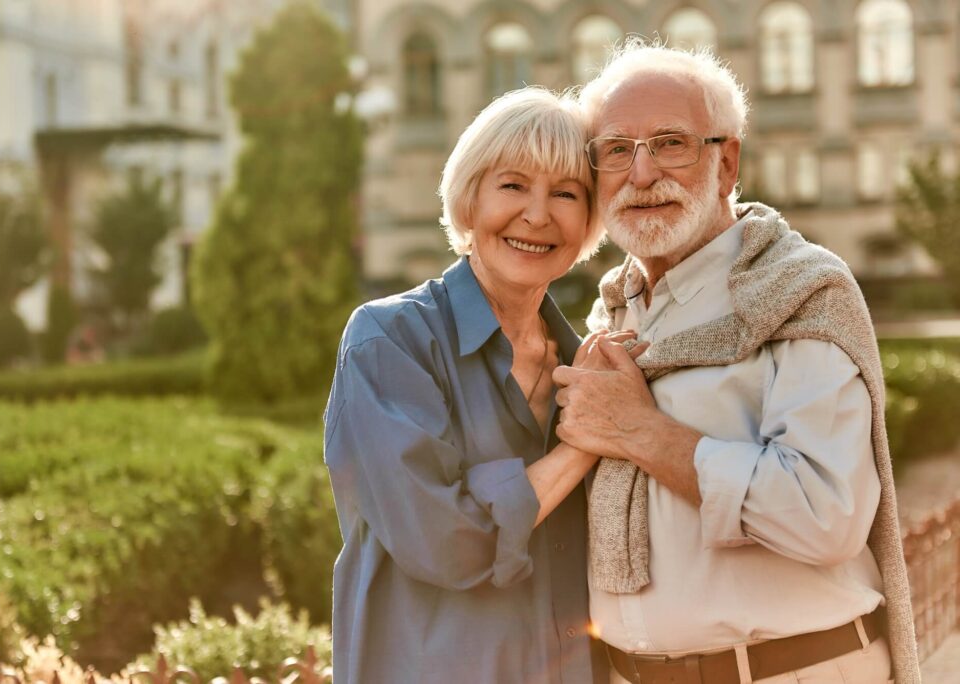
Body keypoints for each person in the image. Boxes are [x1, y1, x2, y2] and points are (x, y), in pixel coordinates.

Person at [552, 40, 920, 684]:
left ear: (726, 163)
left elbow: (824, 514)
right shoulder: (613, 313)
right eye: (616, 150)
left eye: (671, 142)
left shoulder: (798, 290)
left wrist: (640, 432)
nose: (640, 176)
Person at [324, 88, 625, 683]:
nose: (537, 215)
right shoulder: (389, 342)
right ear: (469, 199)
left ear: (589, 221)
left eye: (565, 194)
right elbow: (445, 539)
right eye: (512, 186)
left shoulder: (589, 361)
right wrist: (586, 445)